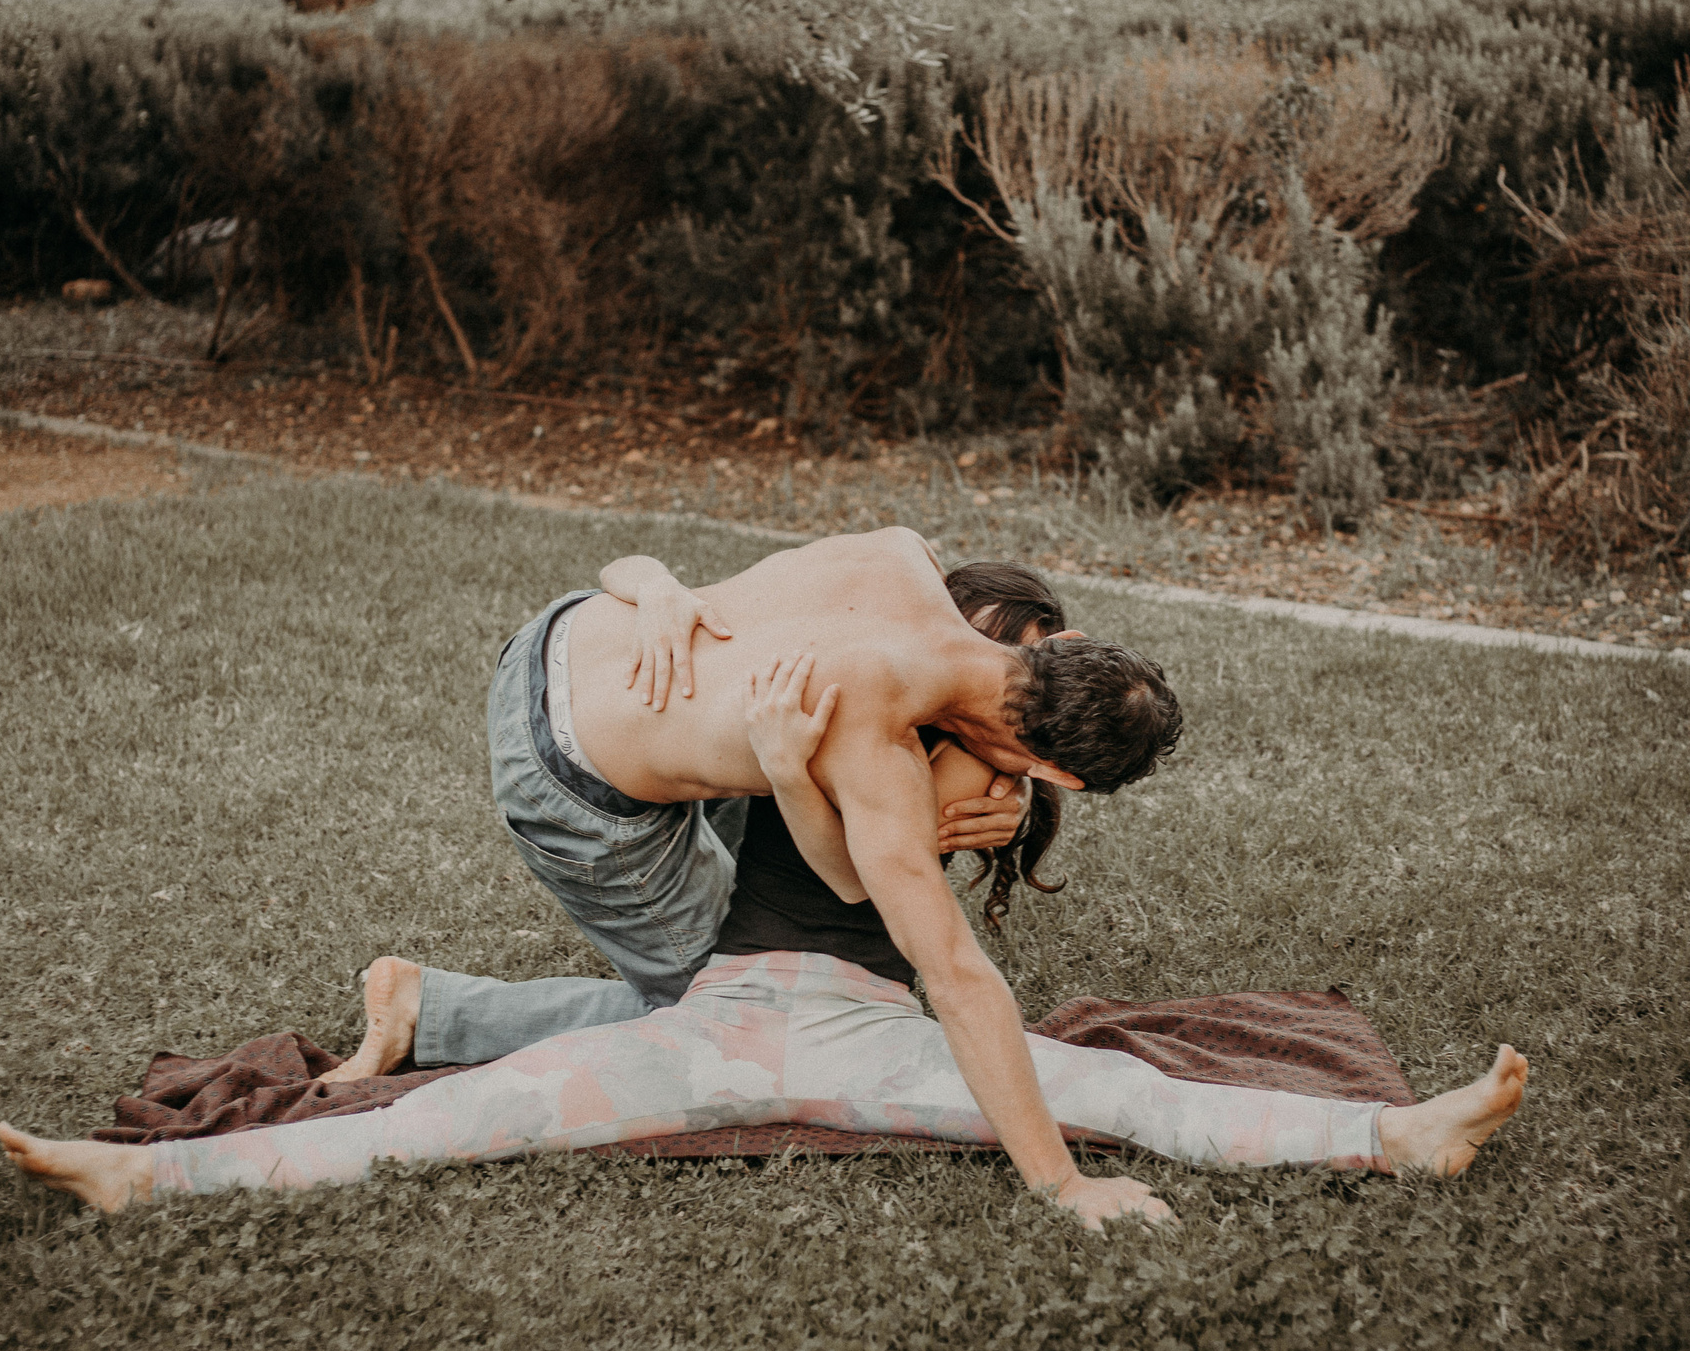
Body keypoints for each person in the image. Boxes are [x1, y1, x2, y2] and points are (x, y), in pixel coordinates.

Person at [0, 645, 1528, 1219]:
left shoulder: (977, 798)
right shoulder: (850, 733)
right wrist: (796, 757)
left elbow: (956, 972)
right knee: (447, 1126)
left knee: (1126, 1091)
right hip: (716, 1023)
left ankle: (1397, 1138)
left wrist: (1060, 1184)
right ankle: (147, 1175)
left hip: (868, 1043)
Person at [327, 527, 1181, 1229]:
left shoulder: (899, 553)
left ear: (1062, 646)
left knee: (748, 964)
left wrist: (657, 589)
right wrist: (1062, 1183)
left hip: (557, 641)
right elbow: (946, 968)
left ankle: (428, 1006)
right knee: (731, 1008)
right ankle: (429, 1010)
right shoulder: (877, 733)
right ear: (1066, 774)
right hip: (573, 784)